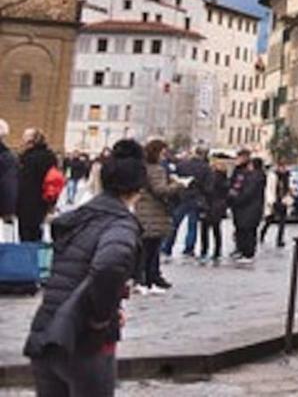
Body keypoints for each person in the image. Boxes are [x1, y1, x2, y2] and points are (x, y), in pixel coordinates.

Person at [23, 138, 146, 397]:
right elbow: (109, 266)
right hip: (85, 343)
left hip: (47, 332)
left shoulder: (80, 217)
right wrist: (102, 317)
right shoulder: (121, 224)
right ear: (136, 189)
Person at [134, 139, 184, 294]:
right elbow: (160, 190)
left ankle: (146, 279)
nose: (164, 155)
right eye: (162, 152)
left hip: (144, 211)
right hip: (153, 212)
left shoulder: (142, 168)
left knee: (147, 247)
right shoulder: (156, 169)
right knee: (151, 248)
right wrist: (179, 185)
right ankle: (146, 280)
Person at [163, 146, 211, 259]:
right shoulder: (206, 168)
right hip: (196, 199)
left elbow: (174, 177)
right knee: (192, 226)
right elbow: (208, 187)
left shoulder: (183, 164)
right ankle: (188, 249)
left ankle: (167, 247)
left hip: (182, 197)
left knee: (174, 224)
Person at [17, 128, 58, 242]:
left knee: (26, 233)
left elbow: (24, 182)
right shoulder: (50, 155)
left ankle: (28, 257)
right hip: (43, 199)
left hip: (27, 201)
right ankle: (35, 256)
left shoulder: (28, 157)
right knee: (36, 231)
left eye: (25, 136)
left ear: (32, 140)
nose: (22, 139)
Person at [227, 150, 265, 263]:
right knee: (241, 229)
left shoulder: (256, 176)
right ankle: (242, 250)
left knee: (248, 230)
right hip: (241, 207)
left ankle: (248, 253)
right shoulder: (241, 172)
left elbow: (248, 192)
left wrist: (237, 199)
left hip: (249, 207)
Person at [198, 158, 230, 265]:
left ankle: (204, 250)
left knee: (205, 230)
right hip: (218, 206)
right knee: (216, 230)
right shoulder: (225, 178)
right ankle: (217, 251)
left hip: (210, 204)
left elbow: (207, 190)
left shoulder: (213, 177)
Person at [260, 163, 293, 248]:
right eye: (281, 167)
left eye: (284, 167)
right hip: (275, 200)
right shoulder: (272, 176)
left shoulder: (288, 176)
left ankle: (279, 240)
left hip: (284, 200)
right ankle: (262, 234)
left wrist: (291, 193)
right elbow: (269, 189)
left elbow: (291, 187)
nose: (283, 169)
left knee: (282, 222)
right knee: (269, 220)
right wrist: (271, 201)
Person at [0, 119, 18, 224]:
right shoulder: (7, 157)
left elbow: (7, 184)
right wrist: (8, 211)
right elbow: (8, 185)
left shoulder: (6, 157)